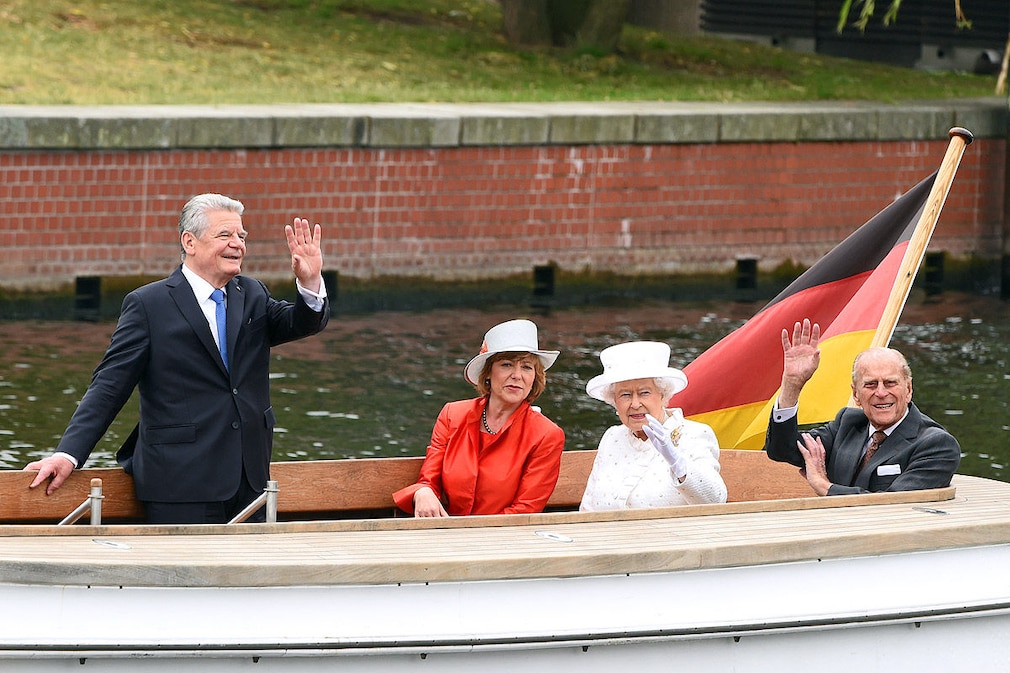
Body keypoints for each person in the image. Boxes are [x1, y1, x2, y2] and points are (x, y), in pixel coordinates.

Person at [26, 193, 330, 524]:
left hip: (249, 479)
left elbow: (301, 322)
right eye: (225, 235)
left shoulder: (252, 293)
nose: (238, 244)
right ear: (190, 242)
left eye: (241, 236)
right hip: (179, 483)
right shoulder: (148, 305)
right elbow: (109, 386)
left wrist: (309, 281)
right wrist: (68, 454)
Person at [764, 318, 960, 495]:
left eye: (890, 383)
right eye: (870, 384)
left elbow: (890, 505)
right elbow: (782, 449)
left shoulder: (937, 445)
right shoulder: (848, 424)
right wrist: (792, 385)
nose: (881, 393)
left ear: (908, 389)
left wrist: (824, 486)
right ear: (856, 394)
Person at [393, 319, 565, 517]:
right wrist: (422, 492)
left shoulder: (547, 436)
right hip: (445, 534)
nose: (517, 375)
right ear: (488, 373)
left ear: (535, 376)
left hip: (504, 540)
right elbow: (428, 480)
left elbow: (525, 510)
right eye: (507, 365)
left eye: (527, 367)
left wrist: (469, 536)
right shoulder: (452, 415)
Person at [580, 341, 727, 511]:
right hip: (607, 537)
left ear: (663, 395)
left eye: (644, 393)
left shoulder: (695, 434)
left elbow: (716, 500)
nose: (635, 404)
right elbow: (587, 509)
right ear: (614, 401)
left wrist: (679, 465)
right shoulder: (612, 437)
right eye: (625, 395)